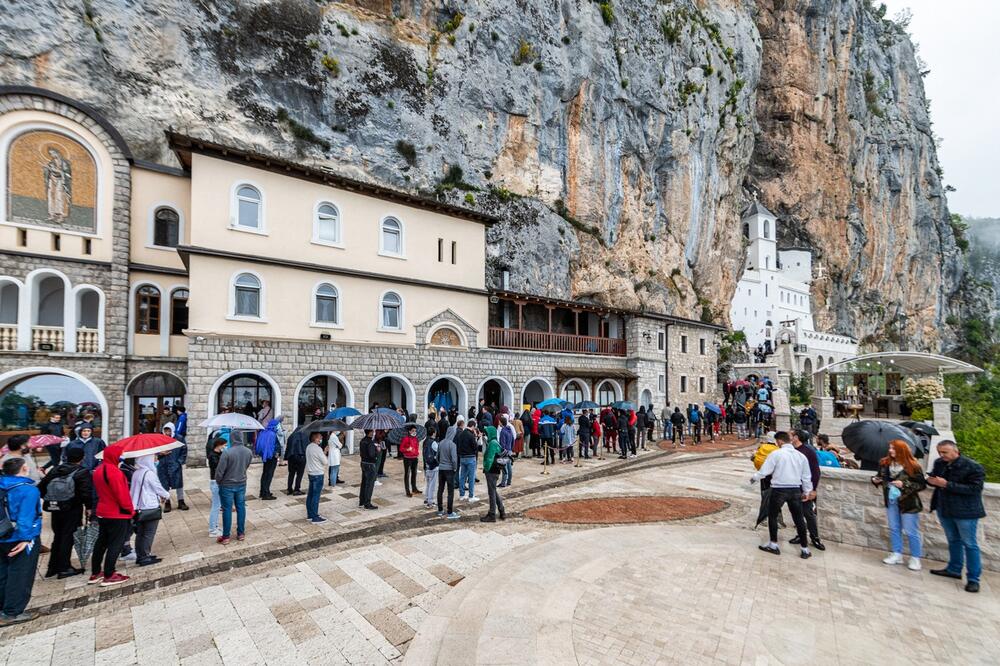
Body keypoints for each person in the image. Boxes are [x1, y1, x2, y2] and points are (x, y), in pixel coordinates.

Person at [926, 441, 986, 593]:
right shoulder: (939, 463)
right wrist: (931, 481)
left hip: (966, 512)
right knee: (953, 540)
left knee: (970, 544)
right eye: (940, 452)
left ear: (956, 451)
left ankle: (973, 579)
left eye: (945, 452)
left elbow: (975, 489)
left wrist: (947, 484)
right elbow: (936, 480)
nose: (941, 455)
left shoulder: (973, 466)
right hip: (945, 508)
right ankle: (954, 569)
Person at [750, 432, 813, 559]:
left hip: (779, 489)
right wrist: (807, 491)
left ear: (779, 441)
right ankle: (804, 548)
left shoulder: (776, 454)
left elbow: (765, 471)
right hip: (795, 489)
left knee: (772, 516)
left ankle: (773, 544)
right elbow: (806, 476)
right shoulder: (801, 456)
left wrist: (754, 478)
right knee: (799, 518)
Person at [38, 446, 92, 578]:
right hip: (72, 509)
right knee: (68, 537)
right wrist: (89, 508)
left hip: (56, 509)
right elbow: (86, 493)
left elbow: (41, 487)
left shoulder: (56, 469)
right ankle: (64, 568)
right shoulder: (82, 472)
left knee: (58, 537)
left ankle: (52, 567)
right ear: (82, 457)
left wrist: (52, 498)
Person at [871, 439, 926, 571]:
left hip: (908, 502)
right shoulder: (885, 463)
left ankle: (915, 557)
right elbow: (880, 476)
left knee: (910, 530)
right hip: (891, 500)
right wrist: (875, 480)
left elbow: (921, 485)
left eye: (894, 449)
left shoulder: (913, 466)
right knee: (894, 527)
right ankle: (897, 553)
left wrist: (904, 484)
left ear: (902, 450)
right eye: (890, 448)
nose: (891, 451)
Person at [0, 457, 43, 624]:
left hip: (2, 535)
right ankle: (12, 612)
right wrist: (26, 538)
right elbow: (26, 517)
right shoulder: (28, 490)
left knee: (3, 571)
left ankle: (3, 606)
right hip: (19, 537)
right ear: (24, 468)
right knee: (21, 573)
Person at [90, 444, 133, 586]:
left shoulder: (98, 470)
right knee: (115, 543)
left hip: (103, 510)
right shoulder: (115, 472)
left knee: (101, 542)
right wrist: (130, 510)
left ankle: (96, 572)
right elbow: (122, 494)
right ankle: (109, 573)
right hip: (116, 512)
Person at [129, 454, 169, 566]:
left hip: (139, 506)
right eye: (154, 457)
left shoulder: (136, 472)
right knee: (148, 533)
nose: (156, 459)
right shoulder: (149, 474)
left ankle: (140, 555)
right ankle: (145, 557)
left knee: (141, 533)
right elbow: (158, 488)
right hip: (149, 506)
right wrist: (167, 495)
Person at [790, 430, 825, 550]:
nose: (789, 437)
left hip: (805, 488)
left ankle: (815, 538)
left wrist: (813, 490)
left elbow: (815, 471)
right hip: (793, 487)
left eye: (791, 435)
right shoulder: (791, 451)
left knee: (808, 513)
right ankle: (800, 534)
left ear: (796, 437)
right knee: (796, 513)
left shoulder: (808, 451)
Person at [215, 433, 252, 544]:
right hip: (241, 483)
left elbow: (220, 471)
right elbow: (246, 466)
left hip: (227, 485)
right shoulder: (248, 452)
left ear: (232, 439)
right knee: (241, 508)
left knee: (227, 509)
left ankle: (226, 536)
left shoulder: (227, 453)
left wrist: (218, 481)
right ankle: (241, 533)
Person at [157, 423, 188, 512]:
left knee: (179, 483)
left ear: (172, 430)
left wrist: (179, 462)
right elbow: (155, 450)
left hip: (175, 464)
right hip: (163, 464)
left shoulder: (179, 438)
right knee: (164, 483)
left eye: (169, 430)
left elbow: (184, 450)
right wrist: (161, 453)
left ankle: (181, 501)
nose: (167, 433)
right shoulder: (160, 439)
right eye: (166, 430)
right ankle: (167, 502)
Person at [481, 426, 506, 522]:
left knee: (491, 493)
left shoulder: (492, 444)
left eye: (487, 433)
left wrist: (485, 468)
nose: (486, 435)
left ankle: (492, 514)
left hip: (491, 471)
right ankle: (501, 510)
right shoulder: (495, 442)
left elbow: (490, 458)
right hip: (495, 471)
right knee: (494, 491)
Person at [255, 417, 283, 500]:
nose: (279, 427)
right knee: (269, 475)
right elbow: (272, 446)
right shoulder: (272, 434)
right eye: (278, 425)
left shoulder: (264, 432)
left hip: (266, 456)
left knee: (265, 474)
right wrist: (276, 454)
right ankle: (266, 494)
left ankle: (263, 491)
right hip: (271, 457)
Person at [436, 426, 459, 519]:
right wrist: (455, 468)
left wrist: (441, 463)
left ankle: (440, 509)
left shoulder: (440, 443)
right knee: (450, 491)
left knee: (440, 489)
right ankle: (449, 511)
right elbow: (454, 459)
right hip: (449, 470)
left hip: (441, 469)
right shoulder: (452, 445)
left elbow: (437, 456)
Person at [305, 432, 327, 523]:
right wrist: (325, 451)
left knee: (310, 495)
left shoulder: (308, 447)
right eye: (320, 438)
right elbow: (325, 461)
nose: (321, 439)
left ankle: (310, 514)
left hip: (311, 474)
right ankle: (314, 516)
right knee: (316, 496)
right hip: (318, 474)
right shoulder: (317, 449)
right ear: (315, 438)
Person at [455, 417, 479, 501]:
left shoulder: (461, 433)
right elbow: (475, 447)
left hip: (462, 457)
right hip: (470, 458)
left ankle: (462, 495)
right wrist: (476, 436)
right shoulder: (471, 435)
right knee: (471, 477)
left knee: (462, 477)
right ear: (472, 426)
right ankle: (471, 496)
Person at [206, 438, 226, 537]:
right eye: (224, 445)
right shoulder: (213, 456)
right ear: (219, 445)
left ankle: (215, 526)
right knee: (216, 507)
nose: (225, 447)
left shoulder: (219, 454)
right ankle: (212, 530)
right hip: (215, 482)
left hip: (218, 482)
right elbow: (219, 467)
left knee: (218, 507)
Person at [284, 426, 307, 496]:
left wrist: (286, 457)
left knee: (291, 473)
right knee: (299, 474)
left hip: (291, 457)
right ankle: (297, 489)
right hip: (301, 457)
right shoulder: (304, 436)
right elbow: (306, 447)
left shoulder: (291, 436)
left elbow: (287, 448)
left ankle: (289, 489)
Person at [358, 430, 378, 510]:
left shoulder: (362, 441)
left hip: (363, 463)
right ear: (369, 432)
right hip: (370, 464)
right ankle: (367, 503)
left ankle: (362, 501)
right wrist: (377, 451)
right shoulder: (370, 442)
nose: (373, 433)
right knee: (369, 484)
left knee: (364, 482)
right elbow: (371, 455)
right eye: (372, 432)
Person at [400, 426, 420, 498]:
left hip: (415, 458)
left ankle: (414, 488)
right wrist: (407, 449)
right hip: (407, 459)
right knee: (407, 474)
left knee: (414, 473)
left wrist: (417, 453)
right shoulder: (405, 438)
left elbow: (417, 447)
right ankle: (407, 491)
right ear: (409, 431)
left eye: (415, 431)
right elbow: (401, 449)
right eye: (413, 430)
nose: (414, 432)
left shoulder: (416, 439)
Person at [422, 427, 439, 508]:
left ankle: (427, 499)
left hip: (426, 465)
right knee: (433, 485)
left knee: (428, 484)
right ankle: (430, 502)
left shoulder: (425, 441)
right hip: (433, 466)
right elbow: (438, 452)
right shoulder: (433, 443)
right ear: (433, 433)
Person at [499, 415, 515, 486]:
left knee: (504, 468)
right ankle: (509, 481)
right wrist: (510, 449)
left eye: (499, 422)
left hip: (504, 451)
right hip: (509, 450)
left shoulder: (503, 431)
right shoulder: (509, 430)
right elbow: (513, 441)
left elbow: (502, 443)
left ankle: (503, 483)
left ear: (502, 423)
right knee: (509, 467)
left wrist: (501, 452)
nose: (498, 423)